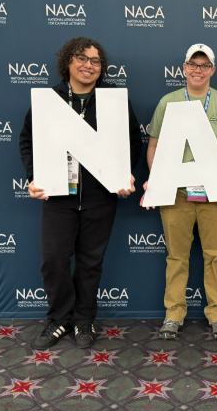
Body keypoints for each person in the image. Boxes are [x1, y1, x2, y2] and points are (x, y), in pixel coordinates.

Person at [19, 37, 142, 350]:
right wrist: (35, 177)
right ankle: (59, 319)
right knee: (54, 261)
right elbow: (27, 141)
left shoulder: (113, 100)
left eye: (96, 60)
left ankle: (84, 319)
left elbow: (131, 142)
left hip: (100, 198)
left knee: (90, 262)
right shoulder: (50, 100)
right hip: (59, 197)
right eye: (82, 58)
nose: (89, 65)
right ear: (68, 62)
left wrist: (124, 173)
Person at [145, 43, 217, 340]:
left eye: (204, 65)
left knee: (215, 255)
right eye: (193, 64)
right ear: (183, 68)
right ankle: (173, 314)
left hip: (214, 194)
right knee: (176, 256)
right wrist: (159, 177)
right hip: (176, 193)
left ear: (212, 70)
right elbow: (153, 147)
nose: (198, 70)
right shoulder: (168, 102)